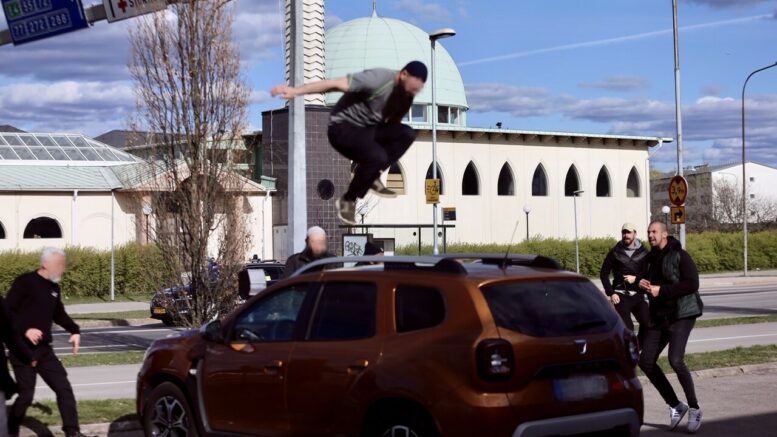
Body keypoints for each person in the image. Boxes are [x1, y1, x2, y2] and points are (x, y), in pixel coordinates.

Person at [271, 61, 428, 224]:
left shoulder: (406, 97)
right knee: (378, 156)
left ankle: (374, 175)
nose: (413, 93)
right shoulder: (378, 79)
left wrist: (374, 166)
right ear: (403, 75)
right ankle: (348, 200)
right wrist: (296, 91)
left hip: (368, 130)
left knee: (407, 134)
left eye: (417, 90)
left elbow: (393, 126)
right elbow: (333, 85)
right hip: (342, 128)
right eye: (413, 87)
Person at [5, 247, 90, 437]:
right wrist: (26, 329)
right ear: (45, 264)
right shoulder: (25, 282)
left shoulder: (54, 288)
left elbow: (59, 314)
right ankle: (10, 430)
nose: (62, 268)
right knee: (26, 396)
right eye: (58, 264)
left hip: (44, 350)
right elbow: (7, 313)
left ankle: (72, 432)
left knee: (64, 388)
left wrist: (74, 330)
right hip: (21, 350)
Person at [638, 221, 704, 433]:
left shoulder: (679, 255)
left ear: (664, 234)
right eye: (648, 232)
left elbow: (692, 283)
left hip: (682, 314)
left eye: (654, 232)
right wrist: (641, 282)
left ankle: (694, 408)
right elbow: (646, 281)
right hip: (660, 317)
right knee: (646, 361)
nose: (650, 235)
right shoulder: (650, 258)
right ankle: (676, 405)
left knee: (676, 359)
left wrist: (662, 291)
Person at [599, 223, 650, 345]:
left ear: (635, 233)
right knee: (628, 328)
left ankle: (638, 348)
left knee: (648, 323)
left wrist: (636, 279)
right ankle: (629, 353)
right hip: (620, 296)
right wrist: (611, 293)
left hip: (638, 295)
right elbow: (603, 273)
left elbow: (649, 274)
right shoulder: (615, 252)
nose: (626, 235)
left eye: (629, 232)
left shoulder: (644, 252)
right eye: (624, 232)